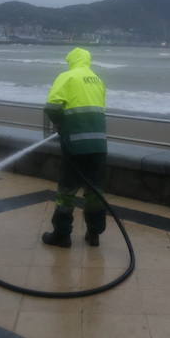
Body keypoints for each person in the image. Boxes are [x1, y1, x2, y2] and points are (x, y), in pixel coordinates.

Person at [41, 47, 107, 248]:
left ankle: (62, 235)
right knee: (95, 191)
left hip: (75, 144)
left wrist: (60, 124)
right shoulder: (97, 79)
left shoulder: (67, 76)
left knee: (66, 191)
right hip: (98, 145)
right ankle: (94, 234)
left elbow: (51, 106)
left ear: (71, 60)